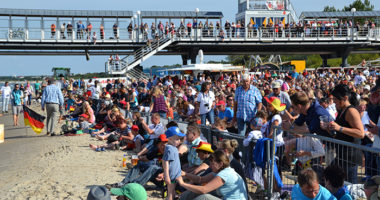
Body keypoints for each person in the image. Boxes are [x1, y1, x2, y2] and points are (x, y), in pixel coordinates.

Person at [323, 84, 364, 184]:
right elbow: (340, 133)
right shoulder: (342, 110)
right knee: (334, 179)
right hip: (342, 154)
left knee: (350, 185)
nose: (335, 102)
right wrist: (329, 128)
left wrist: (339, 128)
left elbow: (360, 133)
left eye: (336, 99)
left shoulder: (351, 111)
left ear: (345, 98)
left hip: (350, 156)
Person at [177, 150, 248, 200]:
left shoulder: (225, 173)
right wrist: (185, 174)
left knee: (204, 197)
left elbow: (204, 190)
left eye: (212, 163)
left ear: (221, 164)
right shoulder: (221, 170)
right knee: (197, 189)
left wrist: (183, 184)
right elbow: (200, 179)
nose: (210, 166)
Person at [163, 126, 185, 200]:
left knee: (172, 191)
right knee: (170, 192)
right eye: (177, 139)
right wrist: (166, 175)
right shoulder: (169, 148)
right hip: (171, 175)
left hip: (175, 174)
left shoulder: (173, 147)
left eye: (179, 139)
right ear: (169, 139)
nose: (179, 141)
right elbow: (165, 161)